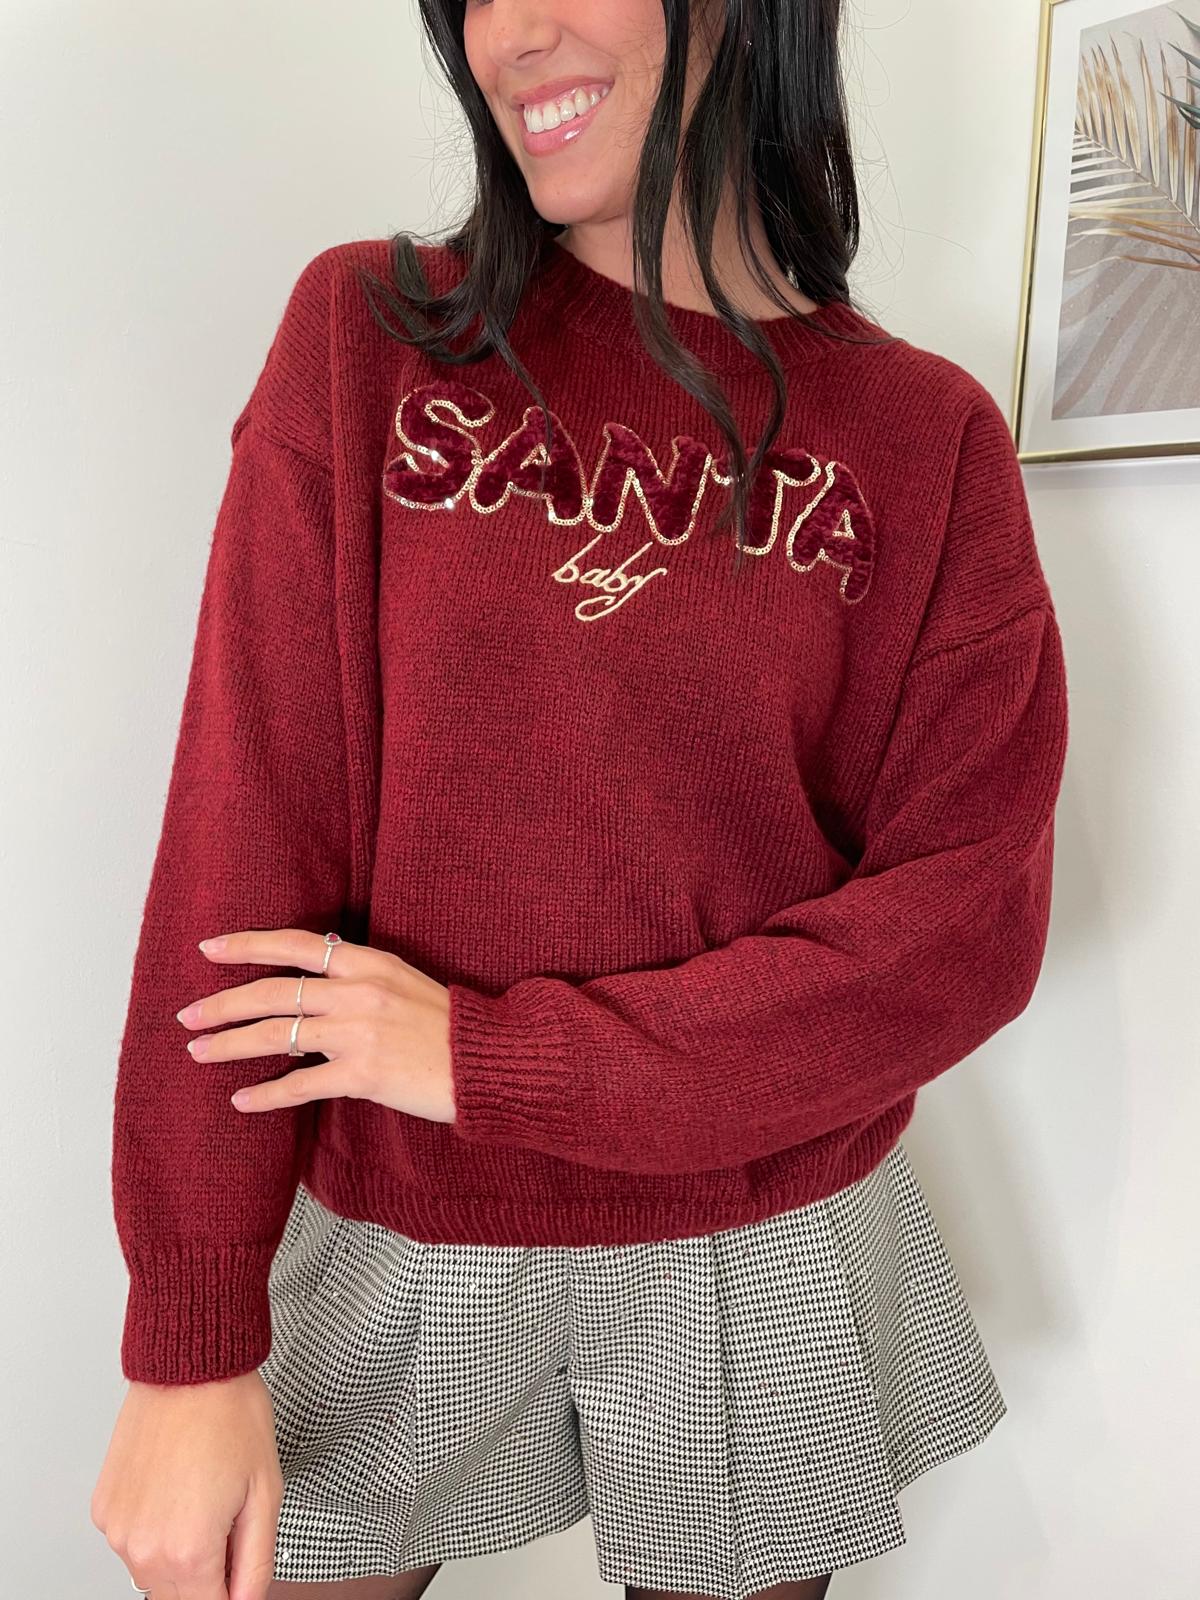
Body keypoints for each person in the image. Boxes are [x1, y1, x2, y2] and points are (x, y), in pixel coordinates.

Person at [90, 1, 1070, 1597]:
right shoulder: (373, 339)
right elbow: (238, 850)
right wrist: (188, 1339)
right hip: (408, 1214)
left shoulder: (924, 438)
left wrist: (497, 1062)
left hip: (762, 1223)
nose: (512, 34)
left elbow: (959, 928)